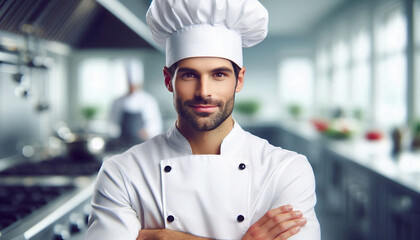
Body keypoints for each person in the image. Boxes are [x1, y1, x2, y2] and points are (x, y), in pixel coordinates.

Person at [87, 0, 320, 239]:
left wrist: (161, 237)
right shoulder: (122, 173)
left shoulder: (286, 170)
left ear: (239, 80)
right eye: (189, 75)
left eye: (219, 74)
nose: (204, 91)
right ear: (169, 80)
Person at [108, 58, 163, 144]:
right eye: (130, 85)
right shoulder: (118, 101)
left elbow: (155, 123)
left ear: (140, 83)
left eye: (134, 85)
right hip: (121, 142)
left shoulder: (148, 100)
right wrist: (116, 132)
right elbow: (112, 122)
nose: (132, 88)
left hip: (142, 143)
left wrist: (147, 131)